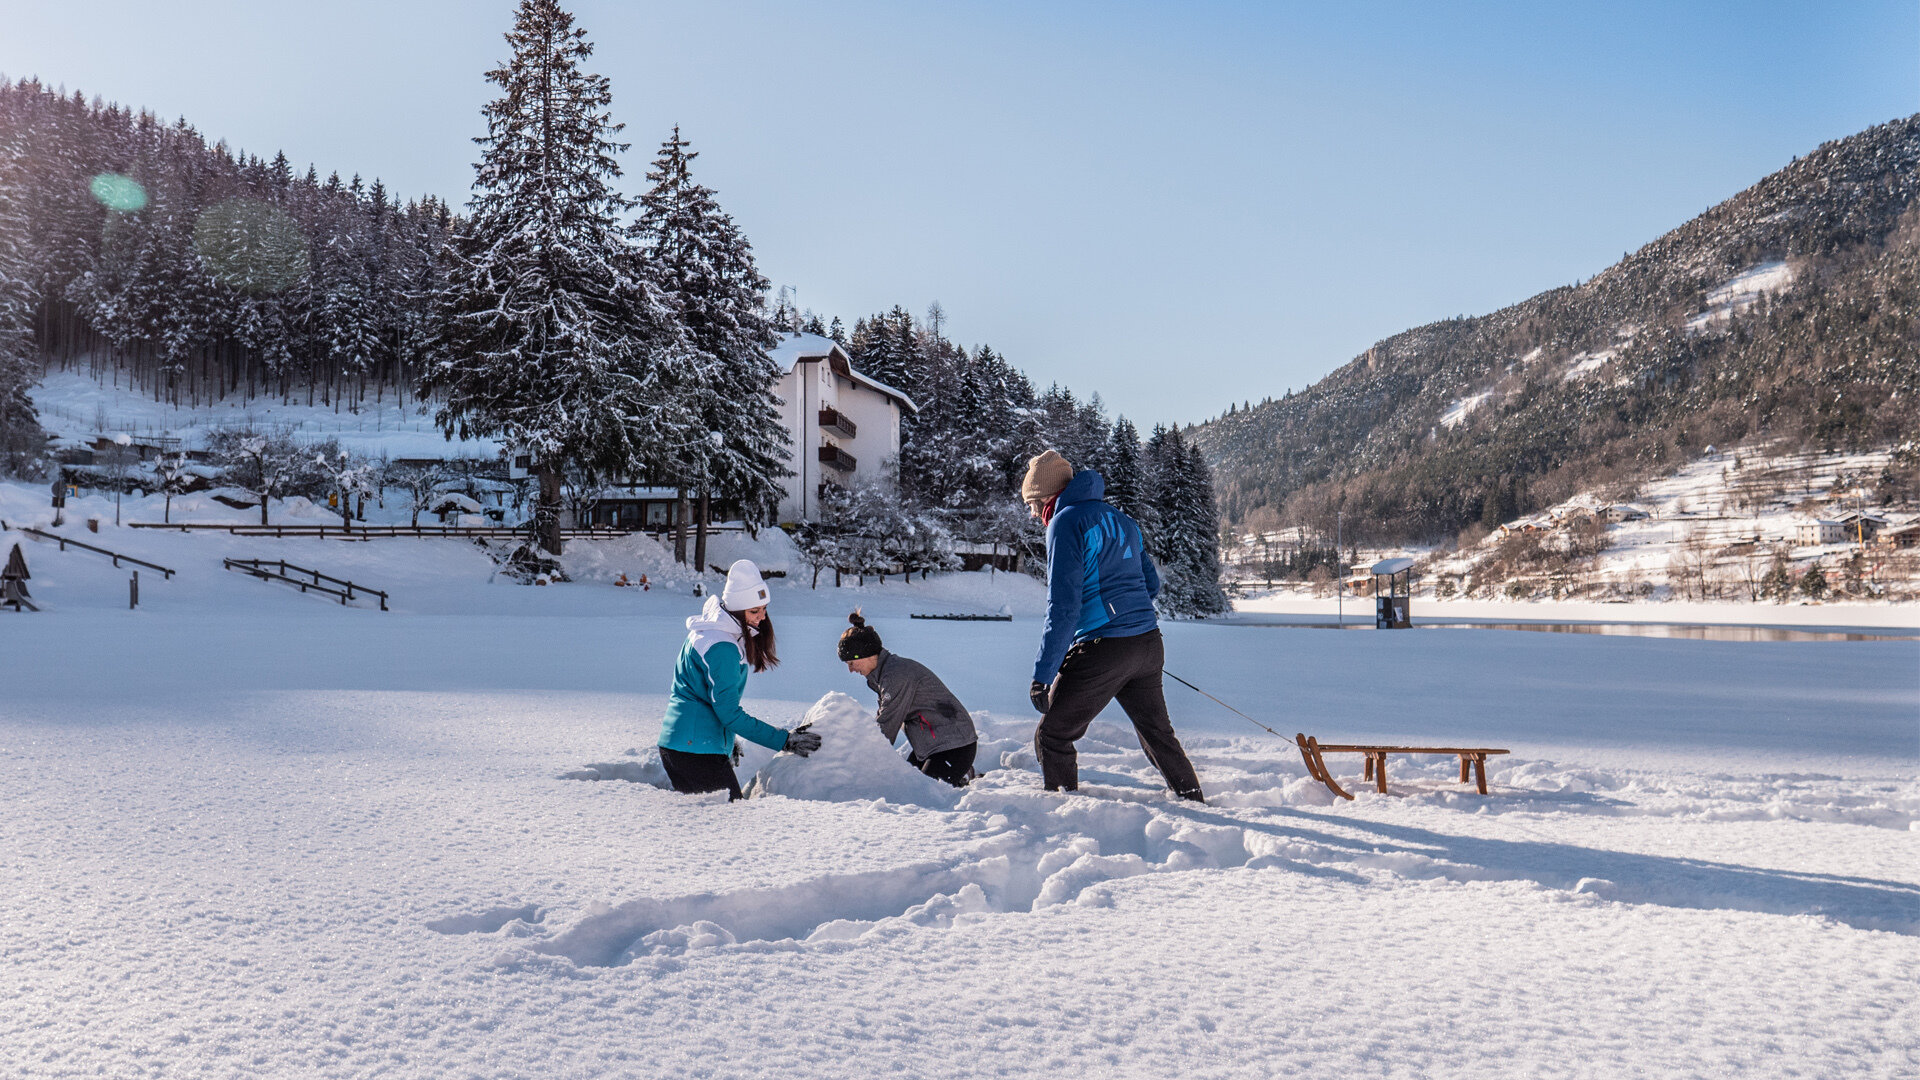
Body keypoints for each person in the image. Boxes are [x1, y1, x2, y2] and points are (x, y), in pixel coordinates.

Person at [1022, 449, 1204, 801]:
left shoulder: (1066, 522)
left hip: (1104, 647)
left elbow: (1063, 606)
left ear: (1046, 495)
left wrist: (1042, 675)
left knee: (1053, 734)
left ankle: (1064, 810)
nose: (1032, 513)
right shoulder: (1122, 520)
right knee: (1157, 734)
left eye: (1031, 503)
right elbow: (1151, 585)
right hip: (1148, 643)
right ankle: (1193, 799)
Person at [658, 560, 821, 799]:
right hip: (693, 750)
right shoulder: (722, 646)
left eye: (764, 608)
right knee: (728, 824)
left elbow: (704, 696)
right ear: (735, 610)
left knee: (719, 824)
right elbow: (729, 712)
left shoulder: (713, 630)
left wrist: (724, 740)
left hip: (689, 744)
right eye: (754, 611)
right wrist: (785, 740)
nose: (762, 617)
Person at [838, 611, 978, 787]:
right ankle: (960, 778)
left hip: (954, 746)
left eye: (851, 663)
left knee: (924, 796)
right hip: (931, 748)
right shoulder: (883, 675)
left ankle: (960, 777)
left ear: (865, 655)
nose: (850, 670)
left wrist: (858, 763)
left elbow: (886, 726)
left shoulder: (896, 676)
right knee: (905, 787)